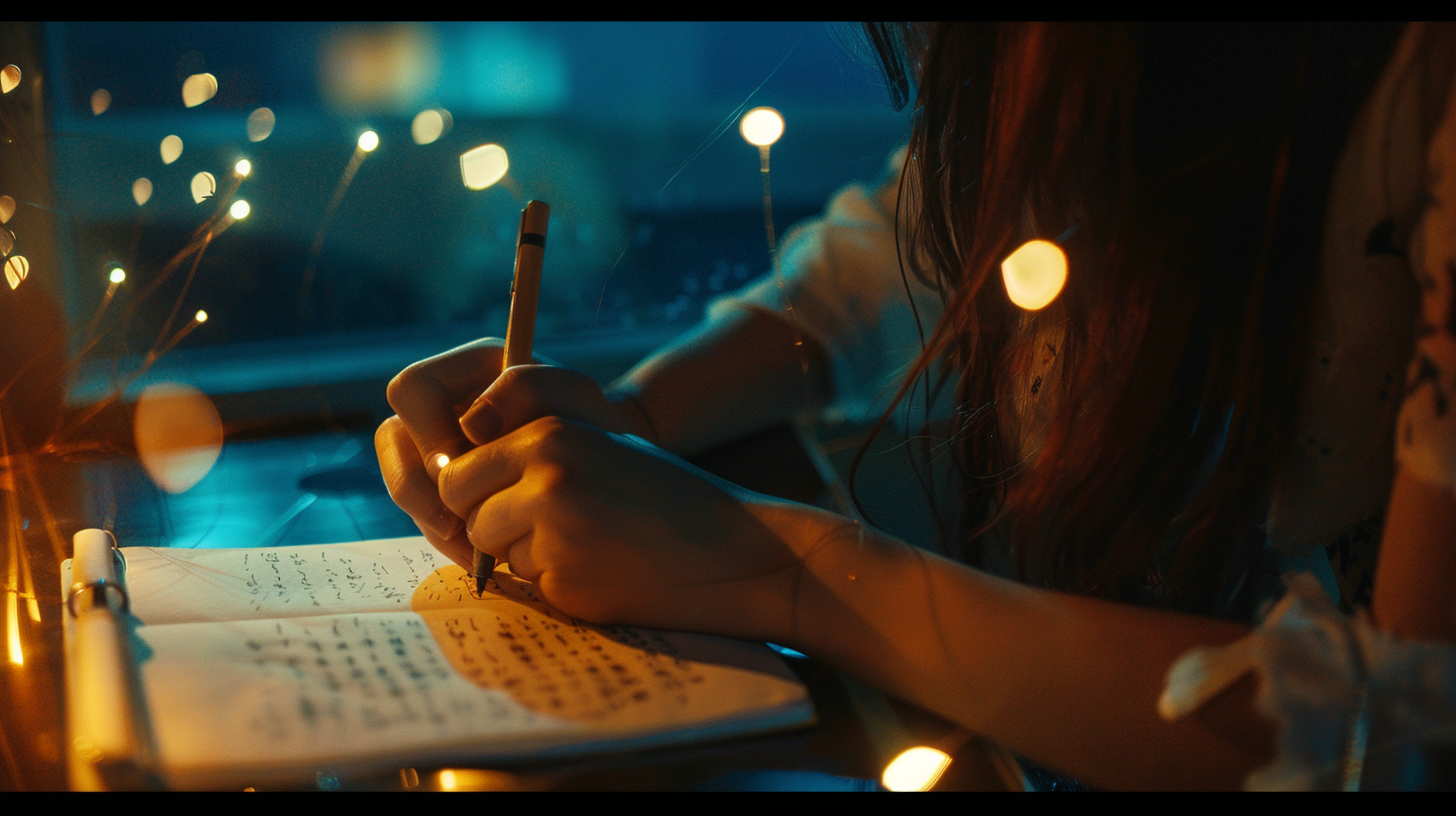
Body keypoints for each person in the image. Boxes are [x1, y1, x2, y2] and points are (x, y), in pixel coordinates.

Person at [374, 23, 1456, 789]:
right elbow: (878, 266)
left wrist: (783, 568)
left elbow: (1399, 734)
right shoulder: (1088, 76)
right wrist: (633, 416)